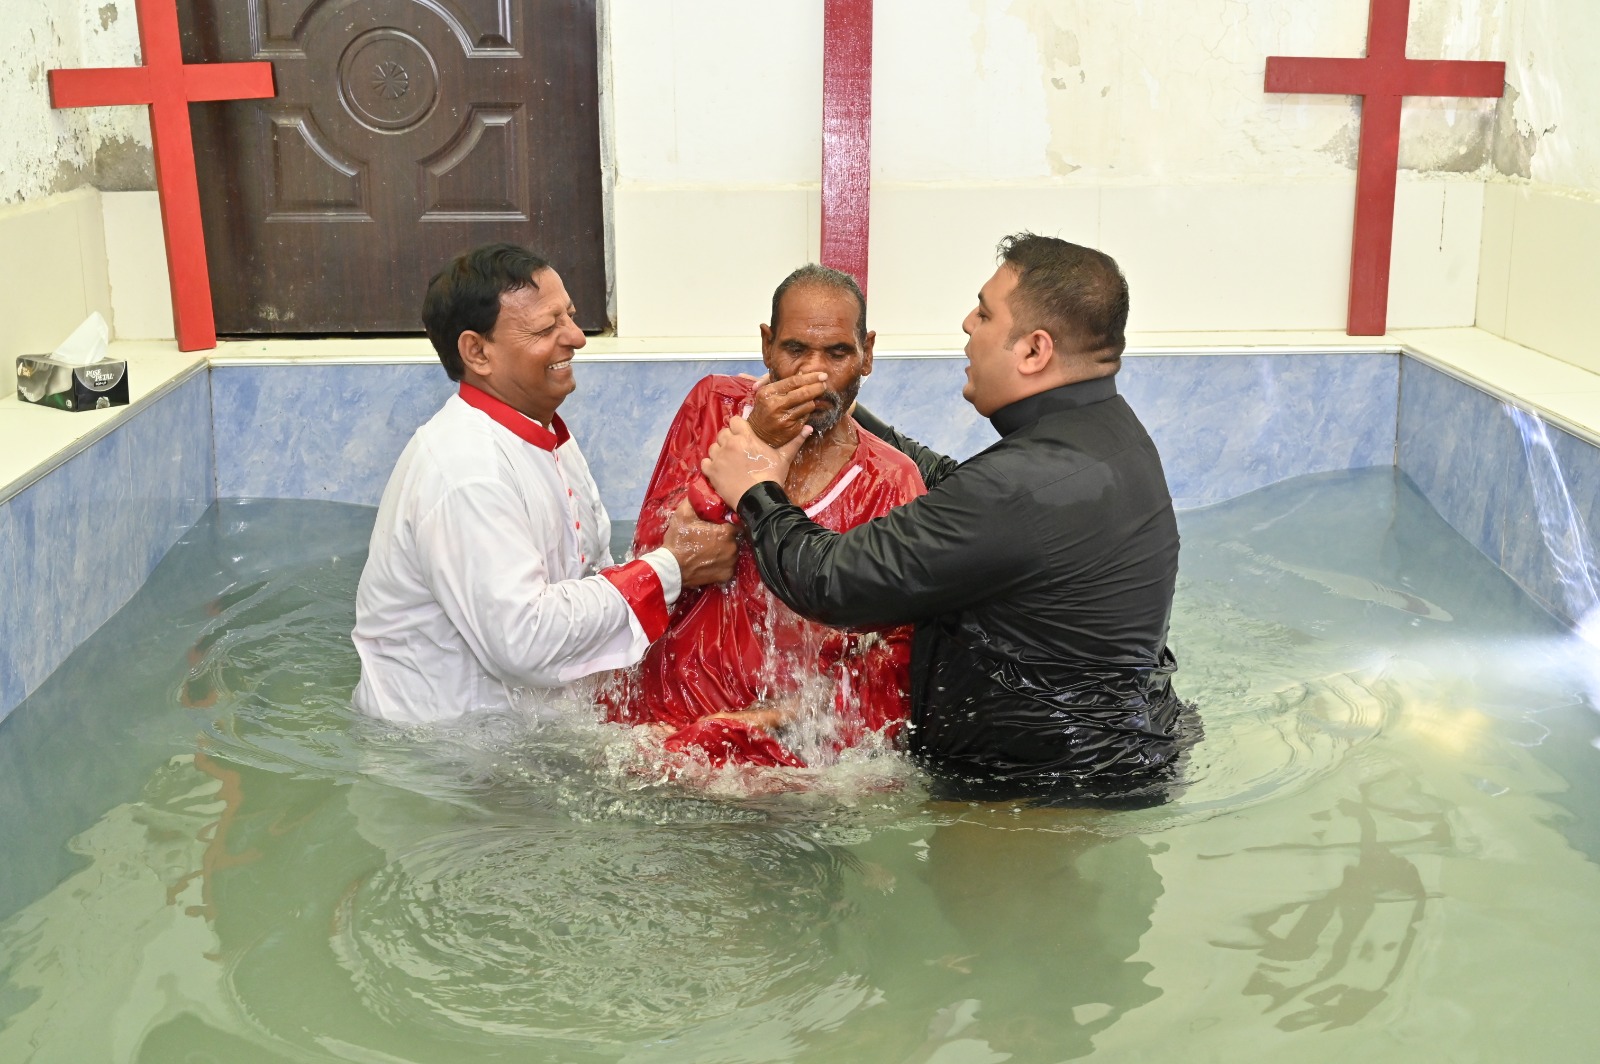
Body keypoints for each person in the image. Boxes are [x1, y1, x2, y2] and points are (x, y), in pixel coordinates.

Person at [700, 233, 1194, 802]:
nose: (966, 323)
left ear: (1034, 352)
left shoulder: (1017, 489)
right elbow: (964, 491)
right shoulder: (1111, 436)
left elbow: (829, 582)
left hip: (1046, 804)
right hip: (1124, 752)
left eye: (984, 313)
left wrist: (755, 488)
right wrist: (849, 416)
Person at [352, 244, 737, 723]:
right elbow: (525, 641)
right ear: (477, 352)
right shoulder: (465, 471)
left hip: (517, 733)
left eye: (569, 316)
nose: (575, 338)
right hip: (438, 750)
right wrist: (670, 568)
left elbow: (591, 578)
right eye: (545, 328)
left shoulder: (541, 432)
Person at [604, 265, 926, 768]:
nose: (813, 374)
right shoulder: (714, 406)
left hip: (779, 756)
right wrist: (756, 439)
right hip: (654, 730)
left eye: (837, 353)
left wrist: (775, 719)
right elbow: (656, 555)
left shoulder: (890, 482)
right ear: (767, 345)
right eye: (795, 349)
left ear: (867, 355)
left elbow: (895, 664)